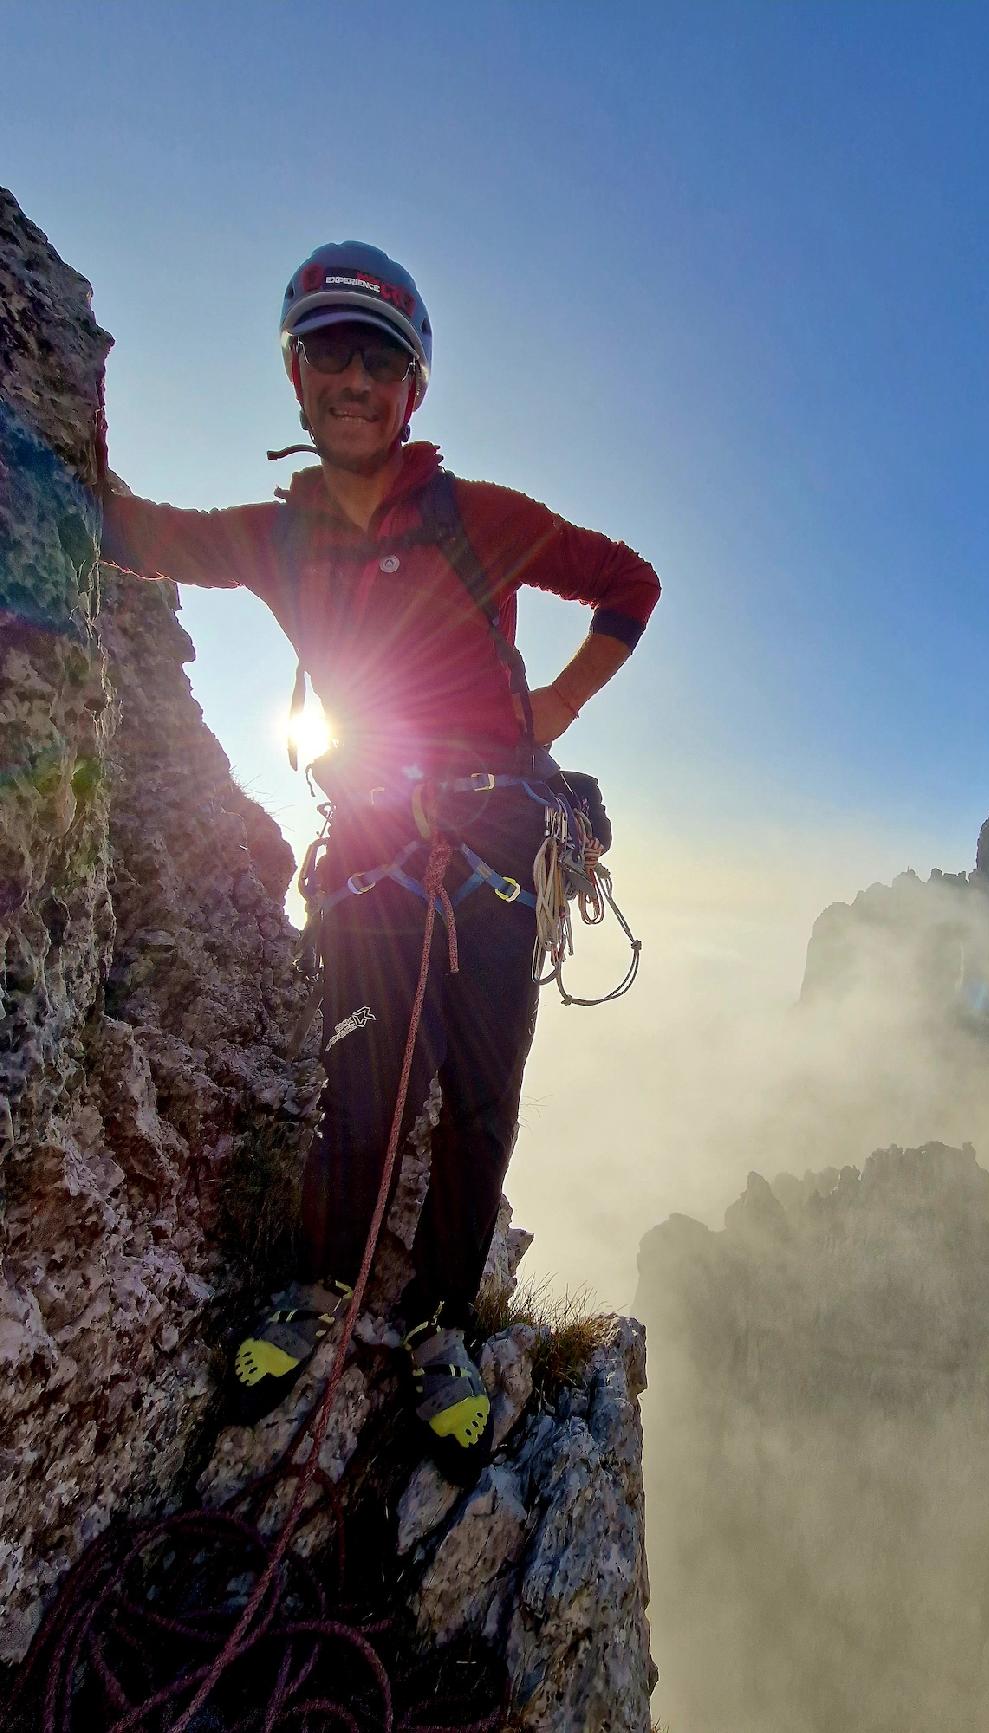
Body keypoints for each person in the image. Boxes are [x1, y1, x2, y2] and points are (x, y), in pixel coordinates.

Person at [99, 241, 661, 1481]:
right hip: (368, 846)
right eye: (330, 353)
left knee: (482, 1097)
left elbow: (630, 581)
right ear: (294, 378)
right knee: (363, 1088)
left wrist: (556, 706)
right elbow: (144, 537)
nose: (353, 379)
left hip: (495, 848)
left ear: (414, 390)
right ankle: (318, 1294)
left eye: (379, 358)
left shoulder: (483, 521)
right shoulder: (275, 538)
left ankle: (439, 1324)